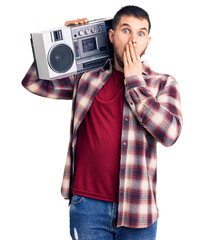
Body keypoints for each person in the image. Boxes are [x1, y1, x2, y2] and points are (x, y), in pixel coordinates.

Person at [22, 5, 182, 240]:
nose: (133, 40)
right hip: (87, 206)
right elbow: (34, 83)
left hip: (139, 209)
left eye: (140, 33)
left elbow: (170, 134)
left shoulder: (163, 84)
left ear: (148, 40)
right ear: (111, 35)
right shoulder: (86, 77)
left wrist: (135, 82)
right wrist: (61, 42)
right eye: (125, 30)